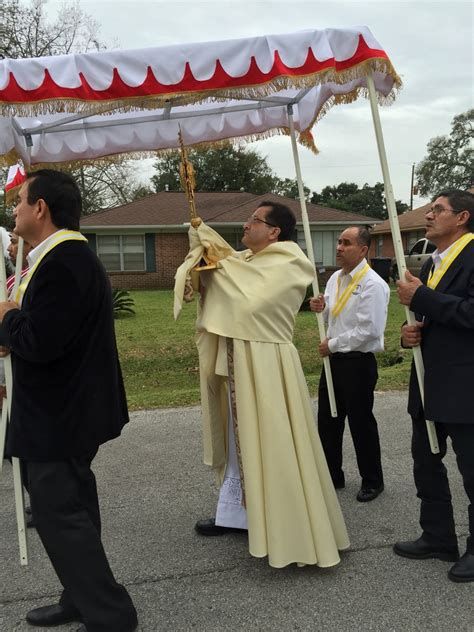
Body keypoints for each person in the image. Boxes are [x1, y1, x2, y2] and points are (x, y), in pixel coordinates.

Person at [174, 201, 349, 569]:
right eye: (249, 219)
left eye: (255, 221)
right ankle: (238, 515)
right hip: (240, 361)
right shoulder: (246, 262)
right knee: (241, 443)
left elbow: (250, 302)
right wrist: (201, 258)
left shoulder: (290, 263)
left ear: (275, 231)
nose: (246, 225)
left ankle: (287, 524)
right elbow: (226, 277)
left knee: (273, 441)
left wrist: (212, 252)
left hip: (268, 365)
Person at [0, 170, 137, 631]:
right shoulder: (60, 258)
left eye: (20, 200)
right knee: (73, 506)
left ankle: (110, 616)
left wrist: (7, 320)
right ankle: (79, 597)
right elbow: (43, 331)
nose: (14, 208)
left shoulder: (64, 261)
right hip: (68, 407)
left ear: (41, 208)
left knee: (61, 515)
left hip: (60, 414)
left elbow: (41, 340)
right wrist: (13, 328)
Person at [394, 189, 474, 583]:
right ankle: (438, 535)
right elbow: (429, 315)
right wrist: (409, 332)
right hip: (427, 380)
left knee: (473, 469)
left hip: (465, 383)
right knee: (426, 459)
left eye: (437, 210)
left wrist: (421, 296)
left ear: (462, 218)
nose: (428, 215)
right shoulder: (431, 263)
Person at [309, 226, 389, 502]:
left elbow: (369, 331)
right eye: (339, 242)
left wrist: (332, 344)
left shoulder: (373, 284)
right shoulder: (335, 279)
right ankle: (332, 474)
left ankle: (372, 480)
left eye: (347, 243)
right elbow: (332, 309)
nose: (339, 247)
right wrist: (320, 306)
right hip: (333, 362)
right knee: (328, 420)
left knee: (360, 422)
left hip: (357, 363)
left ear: (364, 250)